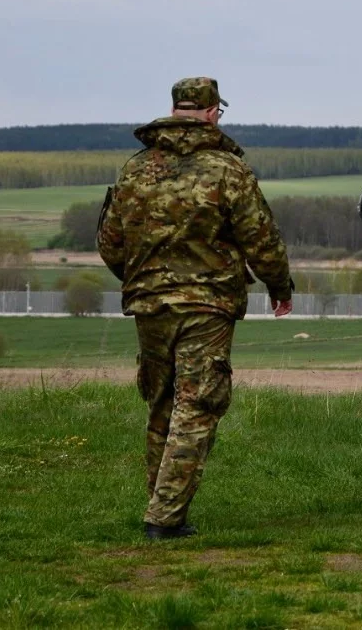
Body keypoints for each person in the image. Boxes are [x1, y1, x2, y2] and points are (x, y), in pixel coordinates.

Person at [97, 77, 294, 540]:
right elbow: (260, 237)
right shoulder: (227, 170)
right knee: (198, 401)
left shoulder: (136, 169)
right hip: (207, 304)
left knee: (163, 402)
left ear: (175, 108)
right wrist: (279, 284)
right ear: (211, 113)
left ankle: (161, 504)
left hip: (150, 304)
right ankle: (163, 517)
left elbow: (110, 242)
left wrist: (142, 276)